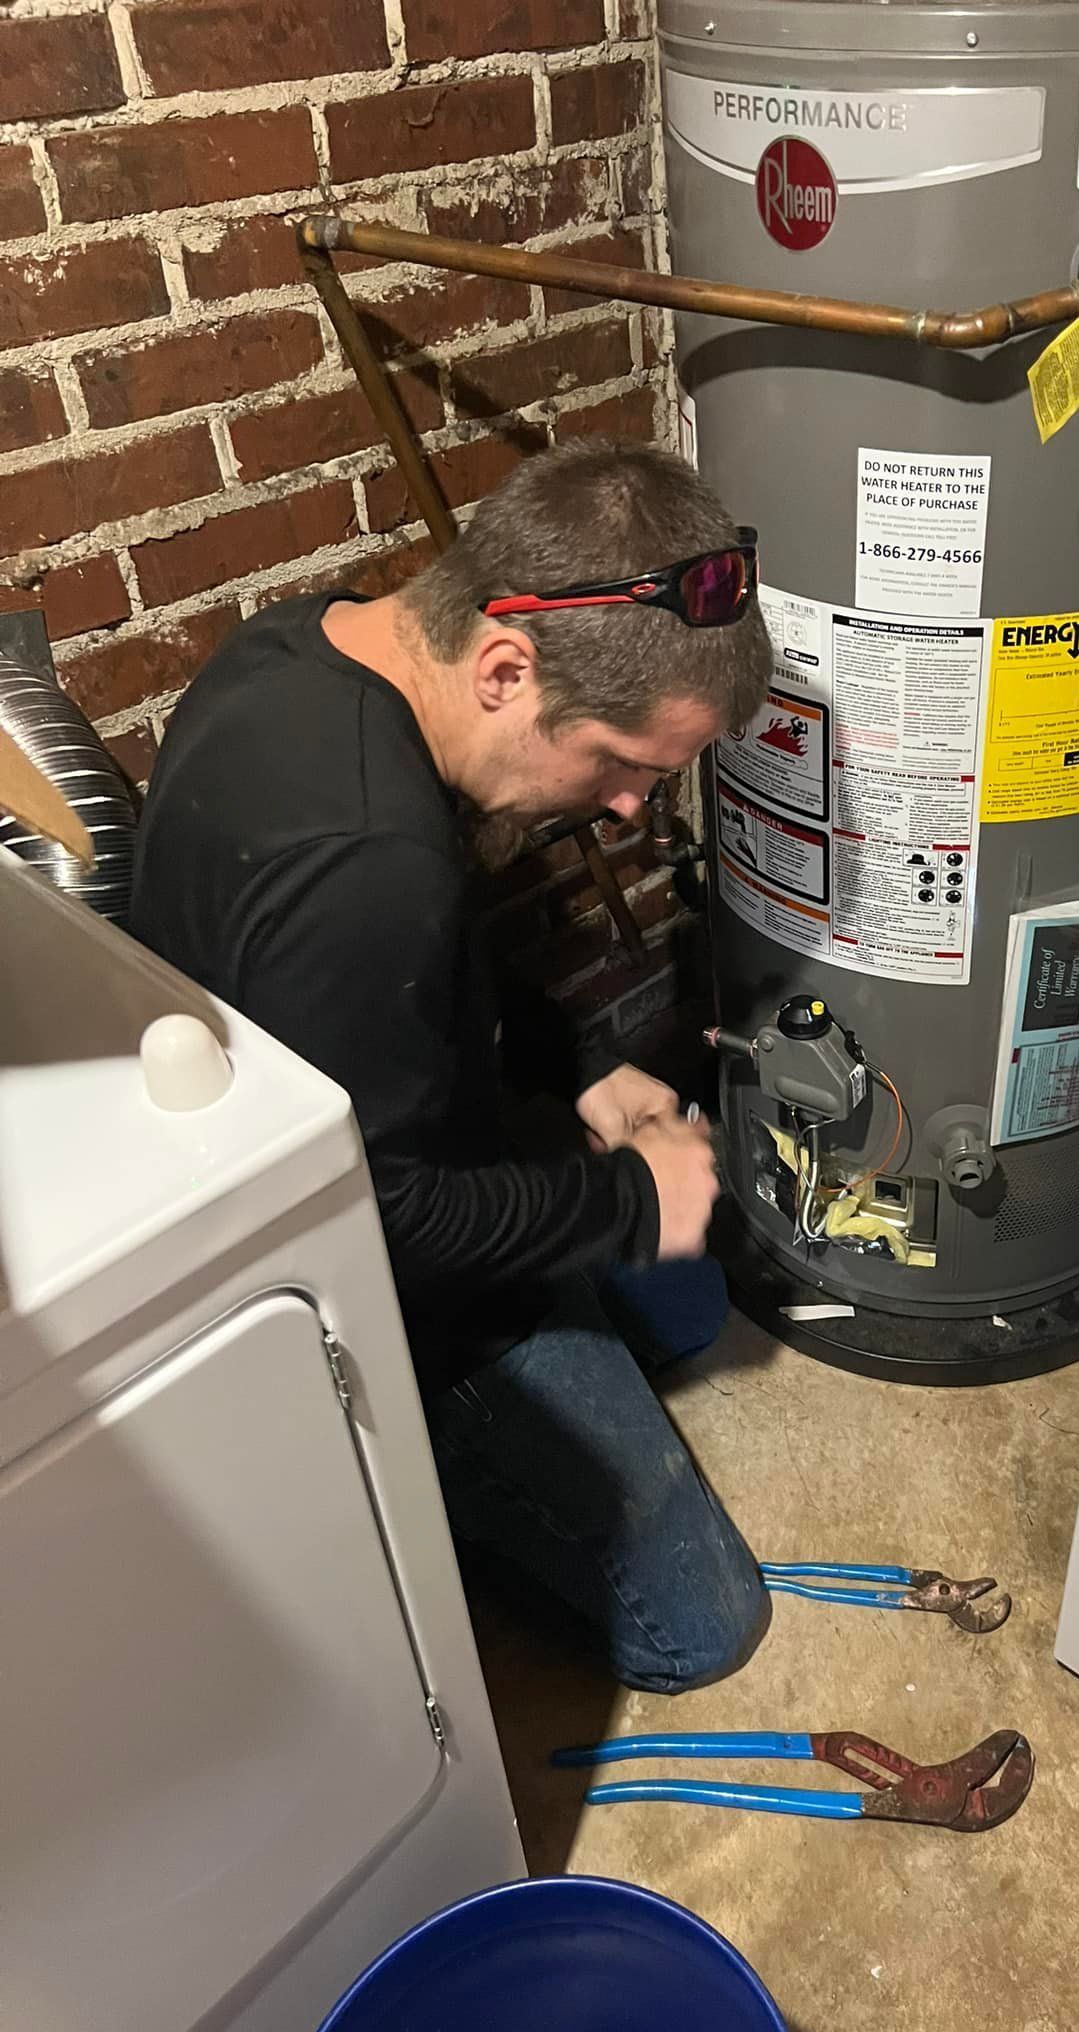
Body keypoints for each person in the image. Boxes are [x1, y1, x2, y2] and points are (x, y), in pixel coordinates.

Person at [130, 438, 775, 1692]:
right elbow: (394, 1220)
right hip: (344, 1276)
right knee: (706, 1625)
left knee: (694, 1301)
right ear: (504, 666)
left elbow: (413, 990)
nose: (636, 809)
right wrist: (630, 1196)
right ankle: (414, 1482)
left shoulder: (308, 644)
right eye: (627, 765)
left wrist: (578, 1059)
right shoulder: (371, 865)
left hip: (386, 1128)